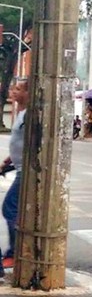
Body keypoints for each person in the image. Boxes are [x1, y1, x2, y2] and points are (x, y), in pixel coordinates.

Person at [3, 78, 28, 272]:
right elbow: (19, 143)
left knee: (10, 208)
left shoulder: (29, 115)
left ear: (28, 93)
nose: (13, 92)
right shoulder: (20, 114)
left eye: (18, 89)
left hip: (26, 171)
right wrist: (7, 162)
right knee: (15, 210)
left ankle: (14, 253)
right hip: (18, 167)